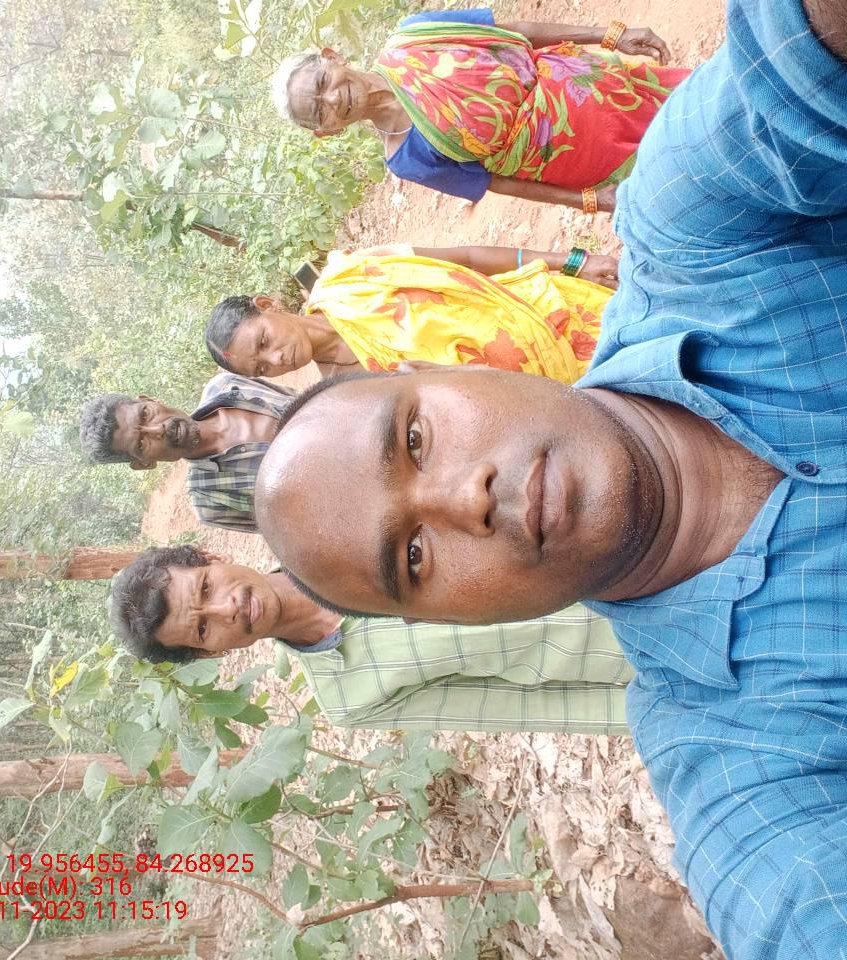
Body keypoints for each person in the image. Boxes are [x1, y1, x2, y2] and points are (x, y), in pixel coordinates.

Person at [254, 1, 847, 955]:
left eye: (416, 438)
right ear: (449, 623)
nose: (463, 500)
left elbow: (792, 75)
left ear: (445, 364)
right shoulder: (739, 755)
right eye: (413, 557)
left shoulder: (693, 233)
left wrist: (577, 218)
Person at [109, 545, 631, 733]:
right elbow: (523, 710)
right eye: (204, 628)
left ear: (212, 558)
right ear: (212, 652)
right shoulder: (349, 698)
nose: (227, 608)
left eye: (206, 587)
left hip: (624, 565)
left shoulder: (342, 533)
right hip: (635, 657)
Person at [272, 9, 689, 214]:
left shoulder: (415, 36)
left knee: (700, 112)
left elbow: (514, 33)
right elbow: (498, 182)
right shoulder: (405, 158)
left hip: (609, 88)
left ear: (333, 57)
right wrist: (588, 200)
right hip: (583, 160)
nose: (332, 100)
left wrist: (610, 35)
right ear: (326, 132)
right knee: (681, 180)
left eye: (322, 82)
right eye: (319, 112)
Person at [207, 244, 617, 382]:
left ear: (267, 305)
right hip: (571, 388)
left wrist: (572, 262)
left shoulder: (353, 276)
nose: (277, 358)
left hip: (568, 312)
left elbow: (465, 259)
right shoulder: (348, 390)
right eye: (262, 368)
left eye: (263, 342)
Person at [79, 372, 293, 532]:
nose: (158, 429)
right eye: (141, 443)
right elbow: (288, 537)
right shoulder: (210, 501)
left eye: (145, 414)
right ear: (144, 463)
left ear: (150, 400)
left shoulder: (226, 386)